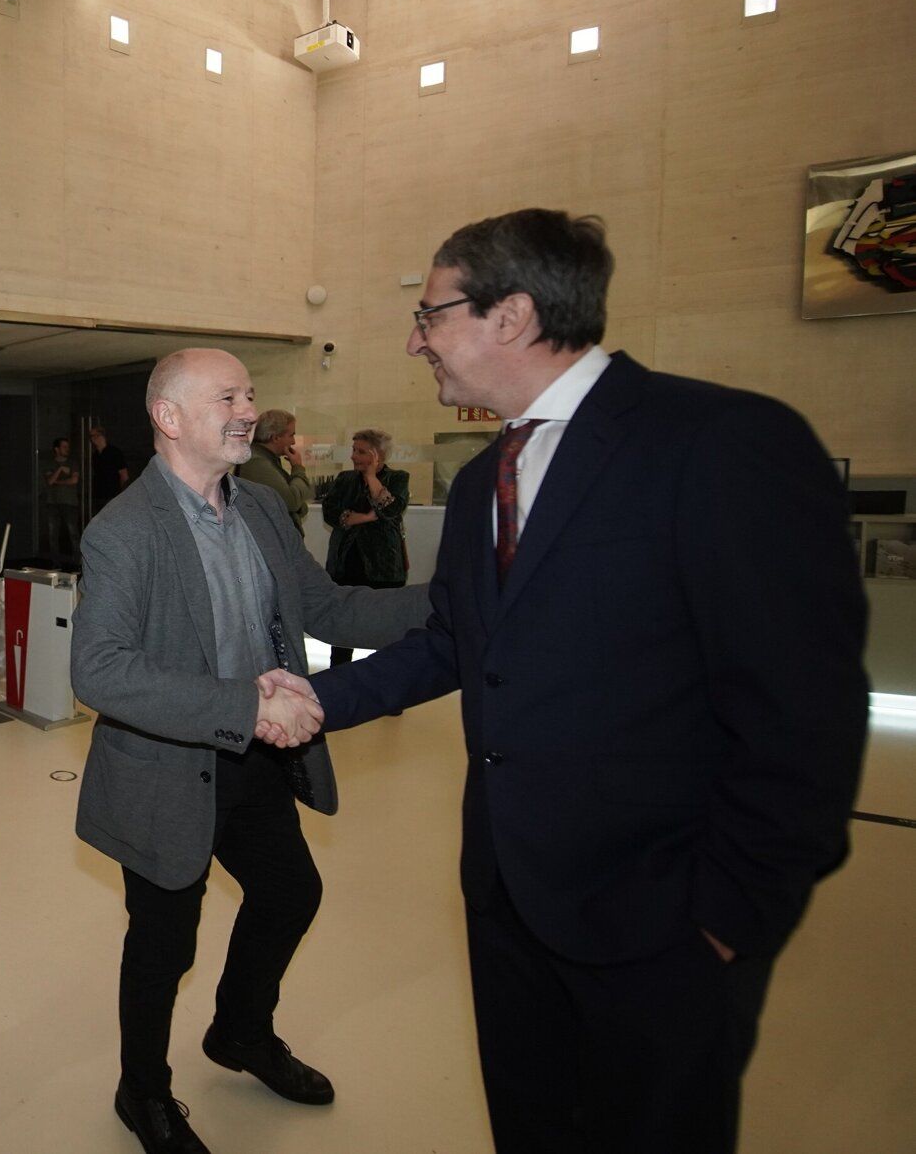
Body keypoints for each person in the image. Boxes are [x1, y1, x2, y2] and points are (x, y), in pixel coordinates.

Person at [303, 209, 869, 1154]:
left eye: (430, 316)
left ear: (510, 315)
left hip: (662, 923)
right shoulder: (490, 477)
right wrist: (316, 699)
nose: (414, 341)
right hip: (507, 903)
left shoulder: (719, 443)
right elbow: (454, 642)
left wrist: (726, 922)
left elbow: (803, 712)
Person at [69, 348, 430, 1154]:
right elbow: (100, 670)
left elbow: (328, 609)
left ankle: (239, 1032)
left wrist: (457, 596)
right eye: (226, 395)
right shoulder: (124, 531)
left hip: (254, 766)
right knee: (164, 942)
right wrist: (246, 705)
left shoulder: (262, 509)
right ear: (168, 417)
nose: (246, 410)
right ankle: (143, 1092)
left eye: (249, 394)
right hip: (167, 770)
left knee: (289, 894)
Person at [320, 429, 409, 663]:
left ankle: (382, 680)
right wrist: (367, 517)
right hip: (345, 565)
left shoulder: (398, 478)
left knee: (384, 627)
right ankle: (338, 678)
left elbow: (391, 509)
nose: (353, 456)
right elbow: (330, 513)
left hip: (383, 568)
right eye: (353, 450)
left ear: (377, 454)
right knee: (342, 628)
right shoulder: (344, 479)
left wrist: (371, 477)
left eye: (360, 452)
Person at [235, 409, 312, 535]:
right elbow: (292, 502)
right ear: (275, 437)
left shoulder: (267, 459)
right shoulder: (256, 463)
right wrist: (298, 468)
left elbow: (299, 506)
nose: (293, 442)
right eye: (291, 435)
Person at [42, 436, 82, 566]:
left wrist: (59, 481)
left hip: (70, 502)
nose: (67, 449)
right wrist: (60, 470)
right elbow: (50, 481)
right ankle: (55, 562)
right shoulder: (50, 463)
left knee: (73, 533)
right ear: (57, 449)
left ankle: (77, 561)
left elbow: (74, 480)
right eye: (64, 447)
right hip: (53, 503)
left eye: (67, 447)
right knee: (53, 533)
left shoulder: (73, 463)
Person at [89, 424, 131, 514]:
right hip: (99, 493)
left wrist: (121, 493)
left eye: (94, 436)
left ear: (101, 436)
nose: (92, 439)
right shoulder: (95, 455)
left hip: (112, 493)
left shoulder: (114, 452)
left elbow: (124, 474)